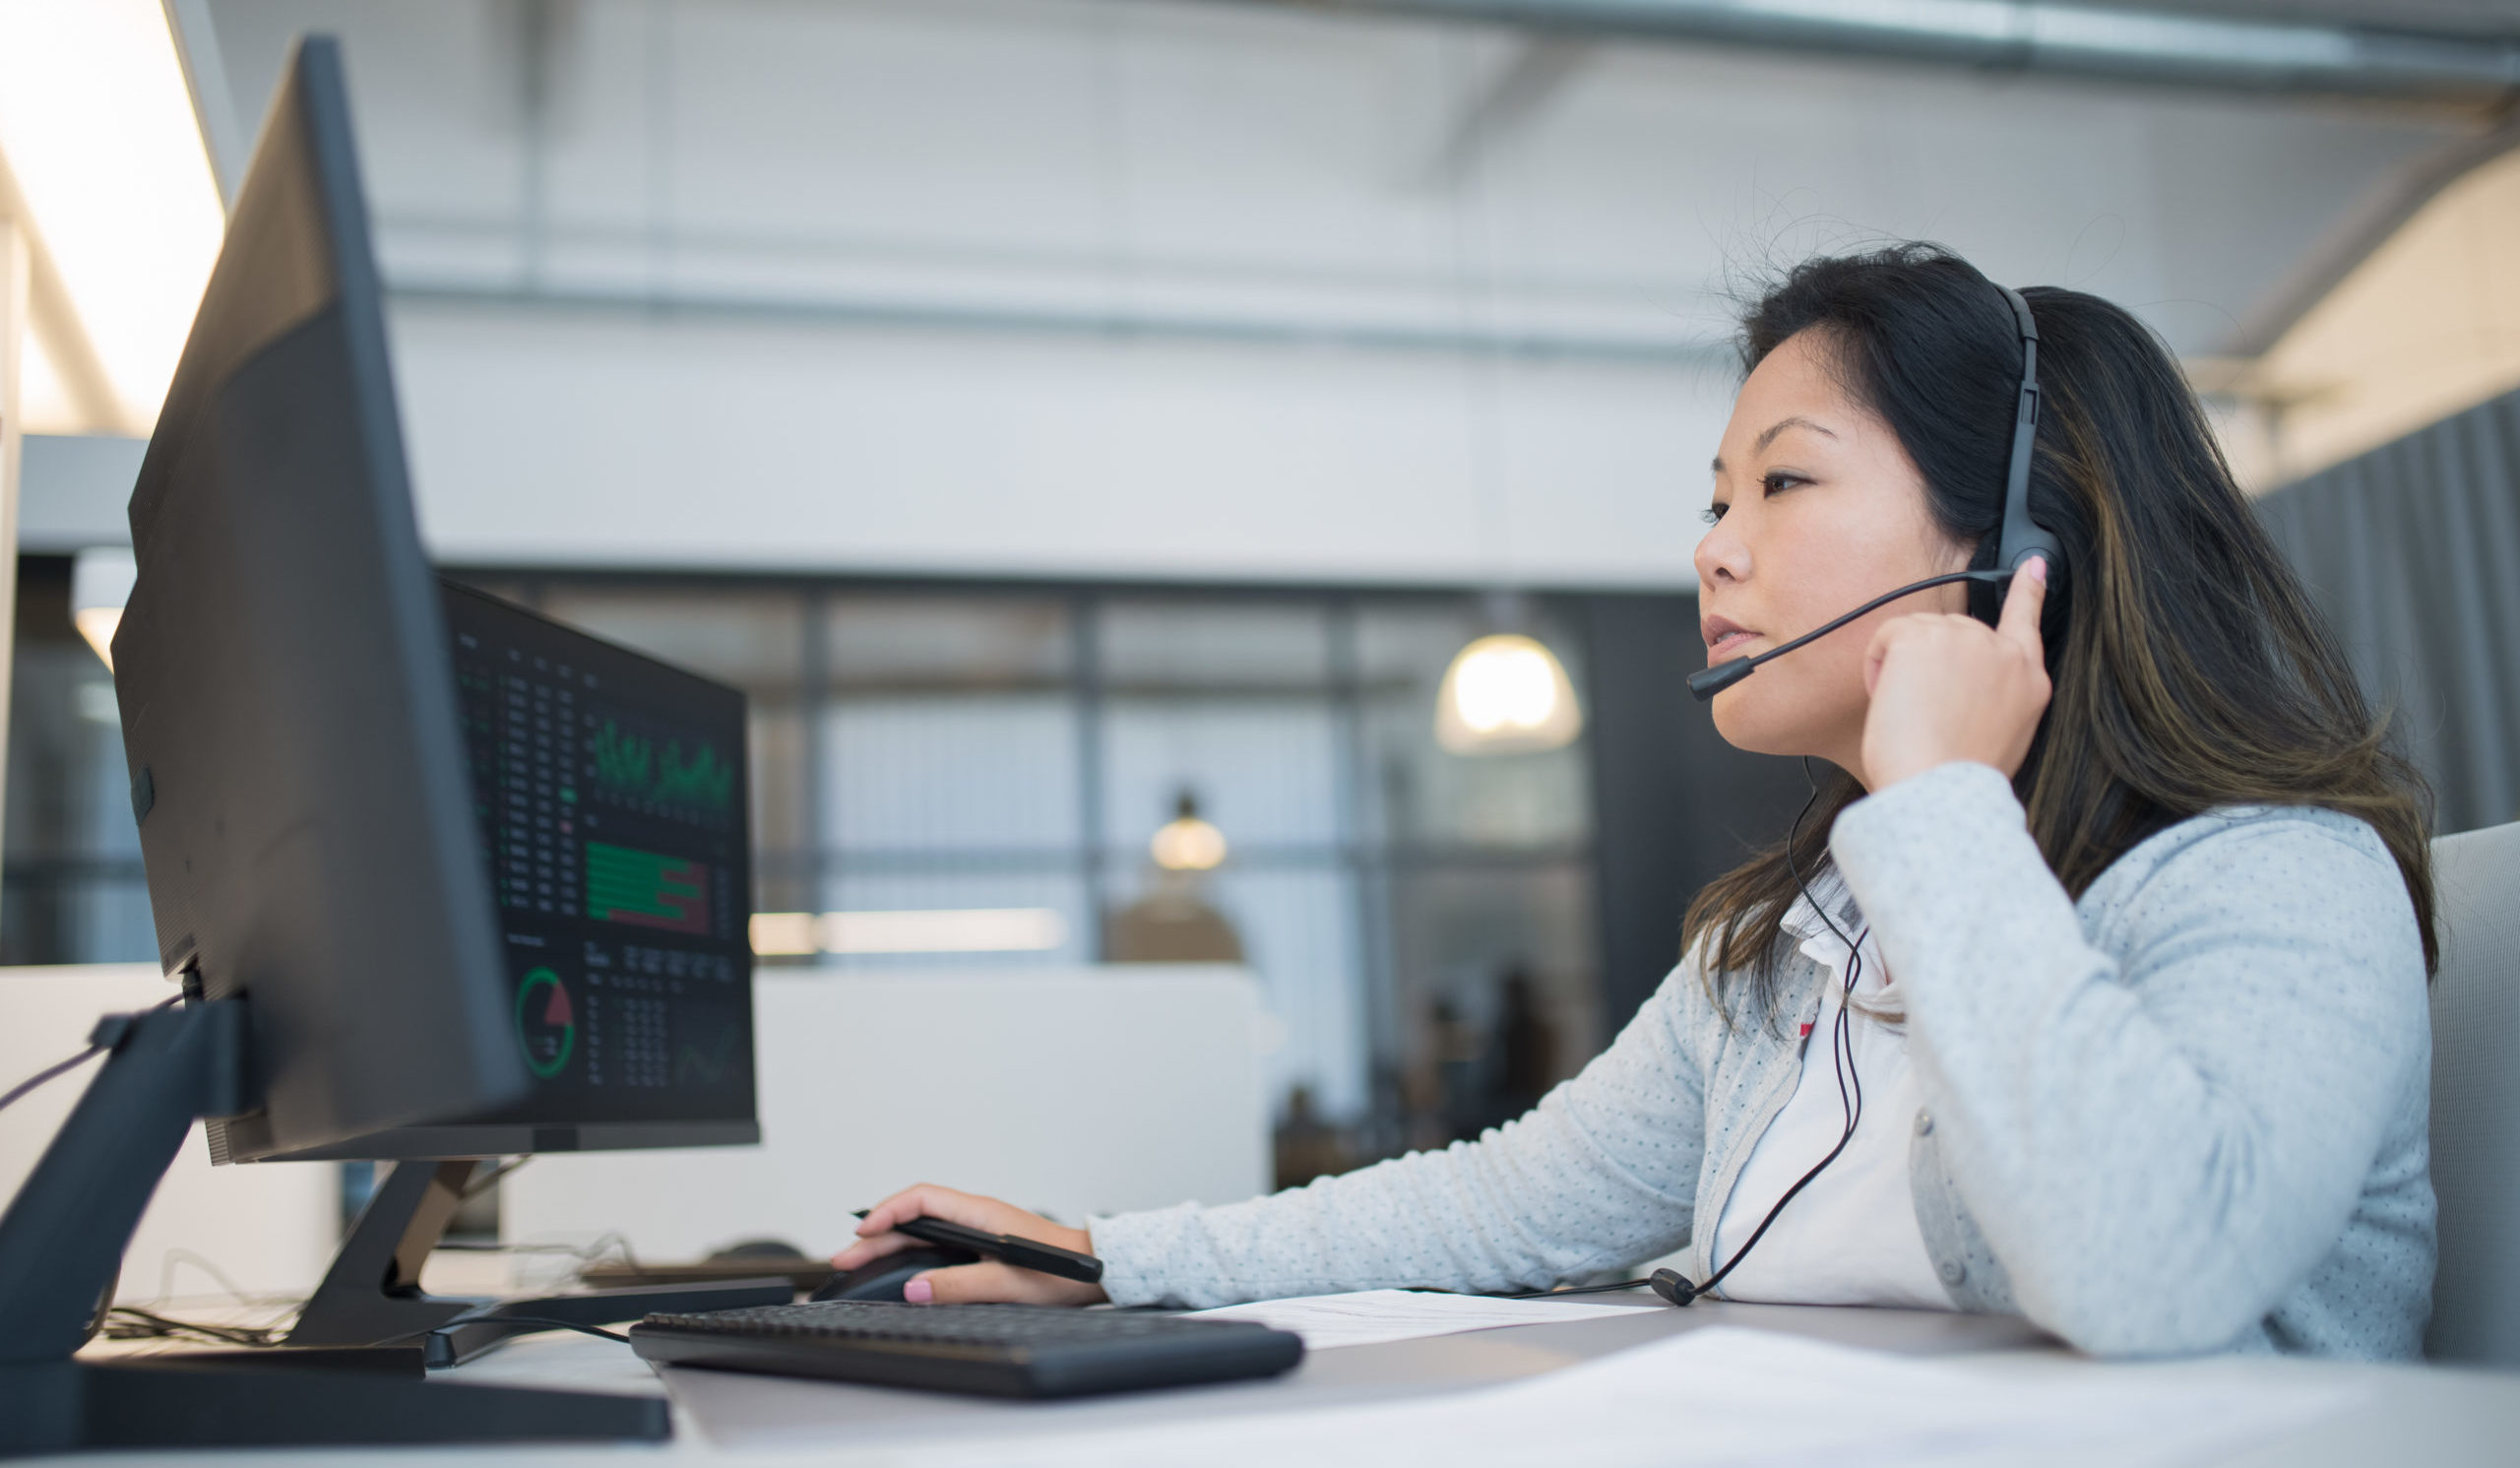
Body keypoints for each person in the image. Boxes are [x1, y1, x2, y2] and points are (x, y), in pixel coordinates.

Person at [834, 244, 2437, 1360]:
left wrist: (1949, 803)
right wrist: (1103, 1259)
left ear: (2021, 543)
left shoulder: (2273, 879)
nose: (1713, 550)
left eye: (1783, 484)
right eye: (1714, 500)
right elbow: (1499, 1201)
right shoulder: (1793, 947)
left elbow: (2148, 1270)